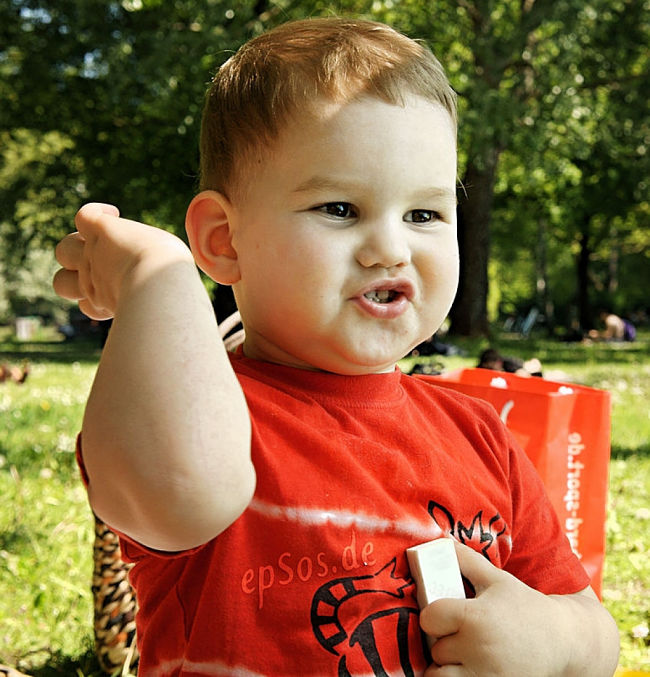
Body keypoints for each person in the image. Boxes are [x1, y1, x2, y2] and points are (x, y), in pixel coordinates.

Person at [52, 17, 619, 676]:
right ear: (224, 241)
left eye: (424, 214)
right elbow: (180, 495)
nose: (391, 247)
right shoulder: (208, 413)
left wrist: (552, 637)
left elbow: (592, 630)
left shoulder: (480, 435)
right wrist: (158, 277)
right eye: (340, 209)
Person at [477, 348, 543, 377]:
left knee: (533, 366)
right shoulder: (481, 367)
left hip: (521, 365)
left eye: (498, 361)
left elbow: (522, 372)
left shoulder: (509, 364)